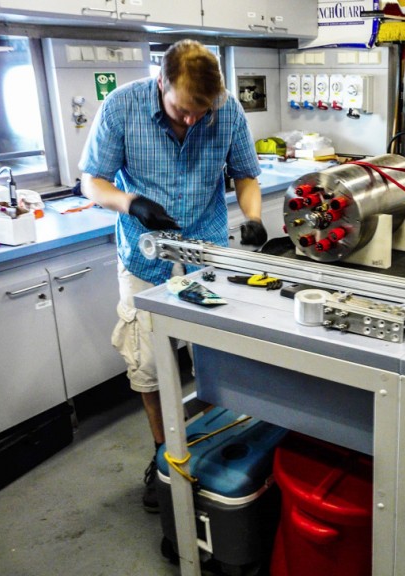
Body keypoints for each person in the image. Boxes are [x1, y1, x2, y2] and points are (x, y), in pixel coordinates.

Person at [78, 39, 267, 512]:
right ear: (161, 82)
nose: (193, 121)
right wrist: (130, 203)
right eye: (184, 110)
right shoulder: (121, 106)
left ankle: (210, 442)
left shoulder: (225, 111)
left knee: (217, 354)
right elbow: (92, 180)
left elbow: (245, 174)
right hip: (145, 254)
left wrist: (253, 216)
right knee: (147, 365)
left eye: (202, 112)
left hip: (206, 250)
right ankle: (163, 455)